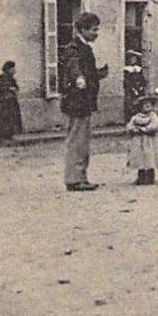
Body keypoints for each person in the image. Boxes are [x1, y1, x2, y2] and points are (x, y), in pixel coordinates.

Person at [60, 11, 109, 191]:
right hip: (77, 101)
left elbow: (88, 72)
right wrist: (79, 78)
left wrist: (99, 73)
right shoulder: (73, 48)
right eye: (94, 30)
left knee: (83, 140)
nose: (96, 33)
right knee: (77, 140)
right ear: (82, 29)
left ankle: (80, 177)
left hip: (85, 100)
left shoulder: (85, 47)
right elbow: (73, 66)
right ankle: (74, 179)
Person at [126, 92, 158, 186]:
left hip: (149, 140)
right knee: (140, 158)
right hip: (139, 141)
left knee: (150, 156)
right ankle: (141, 176)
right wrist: (134, 129)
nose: (147, 106)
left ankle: (151, 176)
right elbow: (130, 126)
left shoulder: (153, 116)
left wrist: (146, 129)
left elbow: (155, 125)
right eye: (144, 105)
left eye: (149, 104)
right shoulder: (135, 118)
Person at [0, 60, 22, 142]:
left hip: (11, 101)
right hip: (2, 101)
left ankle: (9, 134)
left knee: (11, 118)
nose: (14, 70)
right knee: (2, 117)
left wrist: (14, 89)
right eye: (12, 69)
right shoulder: (0, 78)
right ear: (8, 69)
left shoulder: (12, 79)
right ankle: (0, 135)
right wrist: (9, 89)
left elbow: (17, 88)